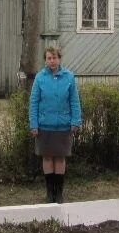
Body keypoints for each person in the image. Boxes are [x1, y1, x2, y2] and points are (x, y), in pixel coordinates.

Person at [29, 46, 82, 204]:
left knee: (59, 158)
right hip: (44, 125)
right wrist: (34, 123)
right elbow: (34, 102)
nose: (52, 61)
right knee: (47, 158)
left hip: (64, 125)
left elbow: (74, 101)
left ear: (59, 59)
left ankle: (59, 193)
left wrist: (75, 120)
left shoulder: (69, 77)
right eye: (49, 58)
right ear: (45, 60)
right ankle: (49, 192)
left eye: (54, 58)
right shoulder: (40, 77)